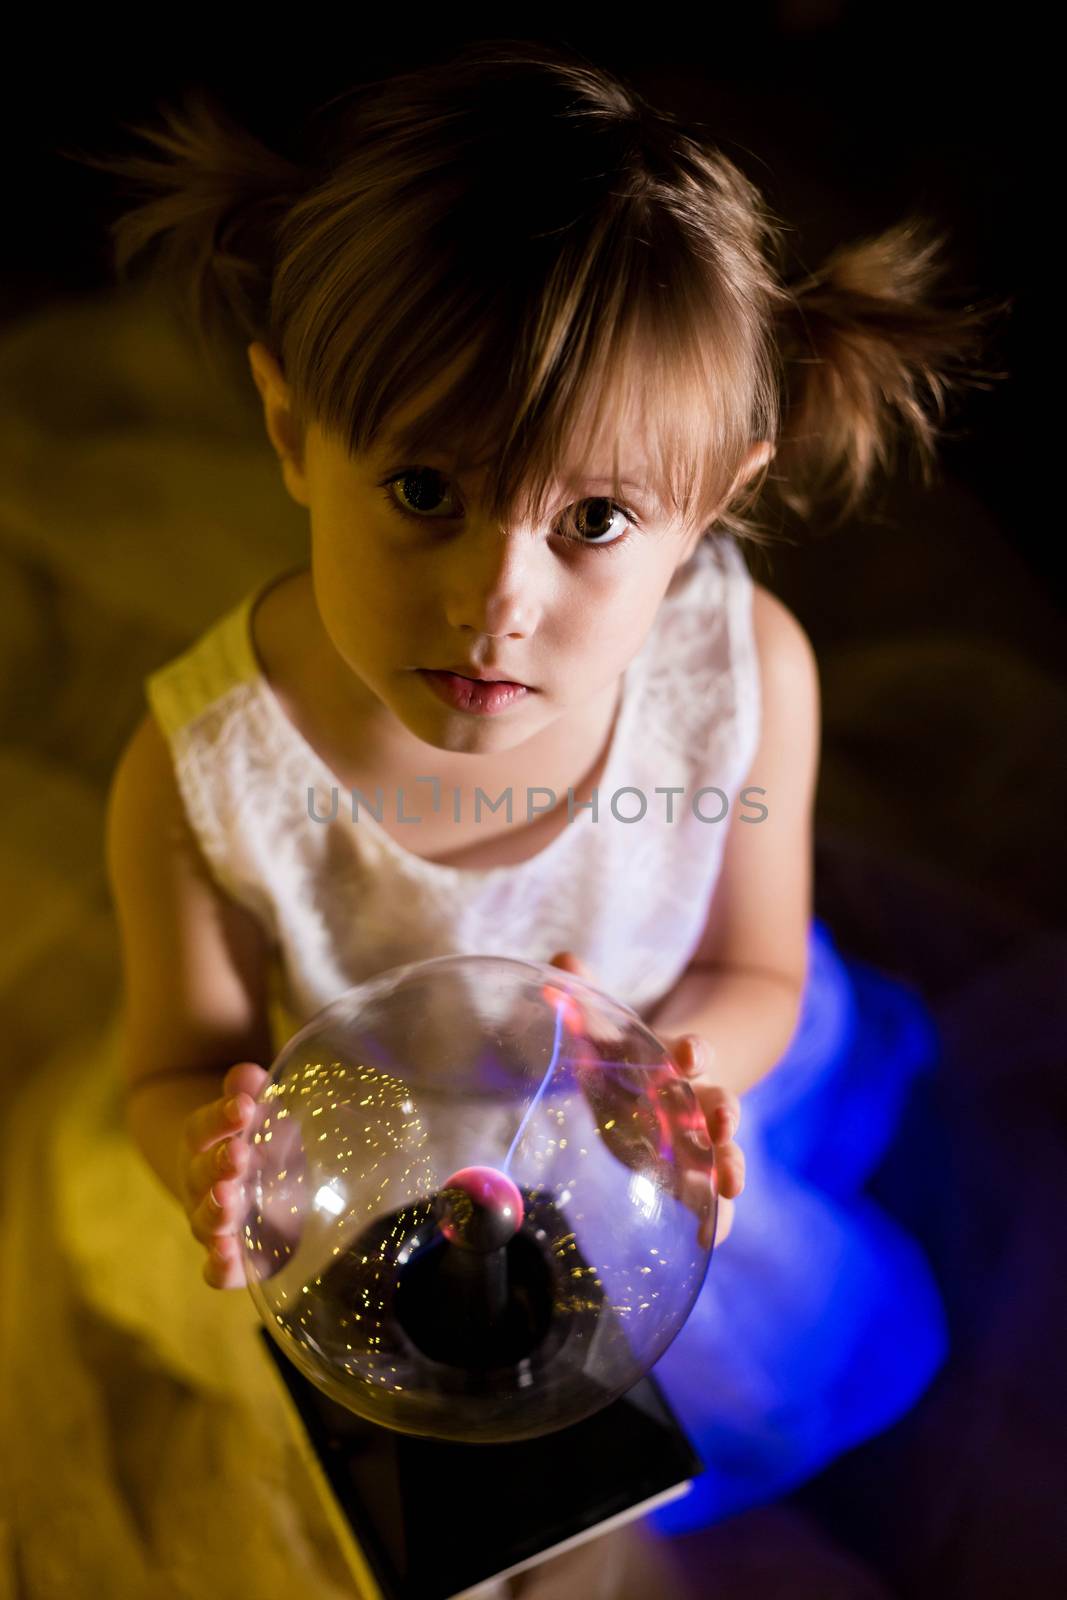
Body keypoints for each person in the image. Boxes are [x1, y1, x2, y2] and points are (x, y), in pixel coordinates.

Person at [0, 38, 998, 1599]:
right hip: (356, 1218)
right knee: (415, 1527)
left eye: (593, 520)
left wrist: (685, 1082)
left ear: (718, 498)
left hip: (624, 1164)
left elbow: (756, 968)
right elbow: (174, 1059)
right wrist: (204, 1144)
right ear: (289, 431)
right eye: (421, 491)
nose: (495, 600)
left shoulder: (740, 686)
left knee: (609, 1491)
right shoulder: (202, 781)